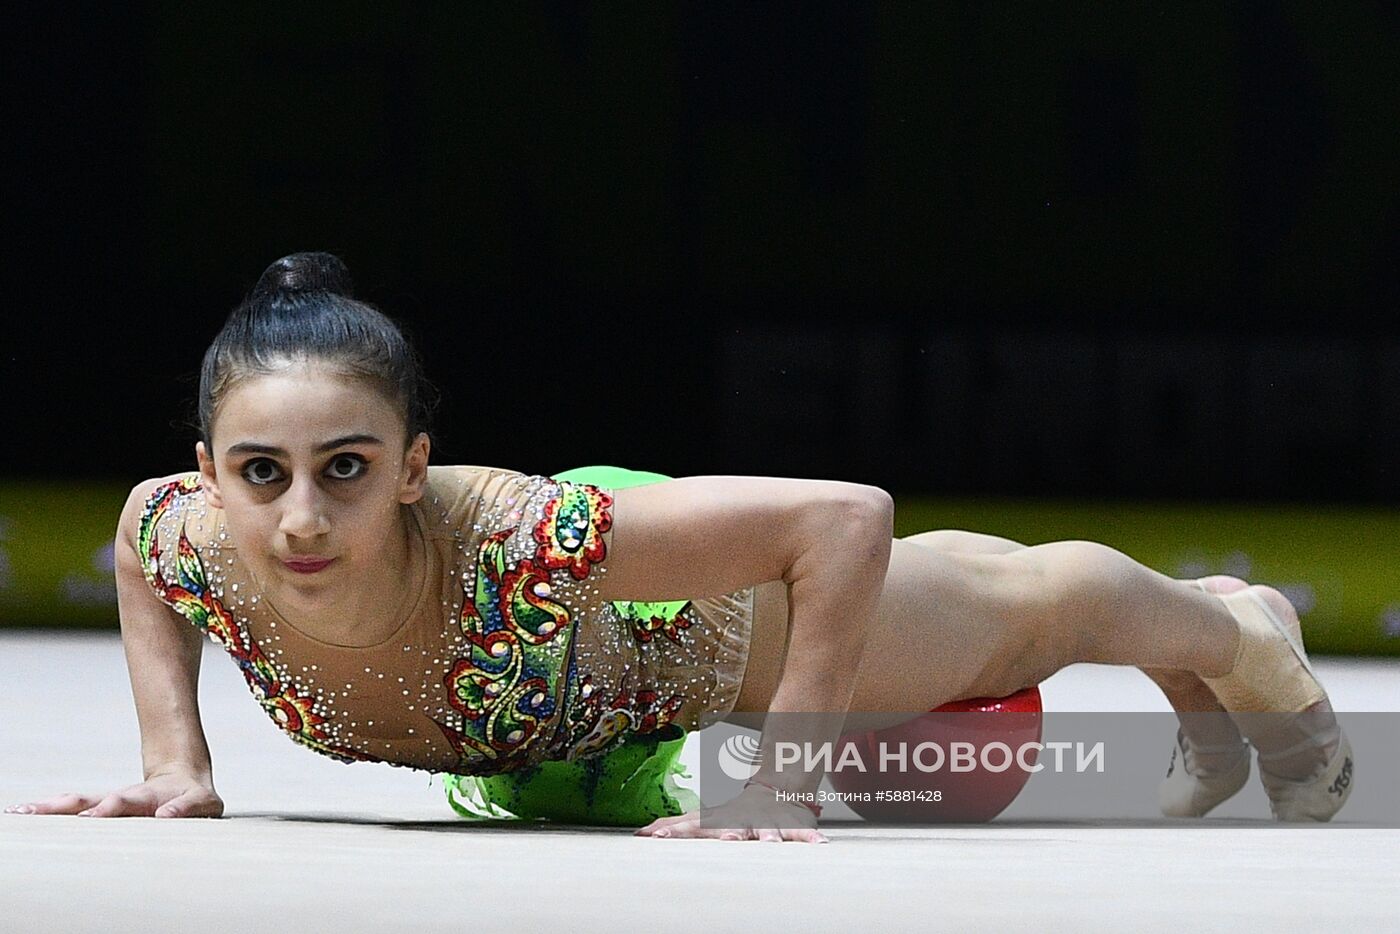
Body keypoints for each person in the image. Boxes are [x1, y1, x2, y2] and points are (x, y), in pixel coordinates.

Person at [3, 253, 1353, 842]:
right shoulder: (183, 532)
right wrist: (176, 764)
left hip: (694, 622)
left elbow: (846, 519)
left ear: (413, 466)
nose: (300, 518)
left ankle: (1238, 630)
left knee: (1017, 610)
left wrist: (782, 777)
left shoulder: (518, 536)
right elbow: (135, 549)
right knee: (985, 590)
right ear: (207, 475)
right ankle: (1207, 642)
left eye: (346, 470)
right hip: (581, 694)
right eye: (262, 474)